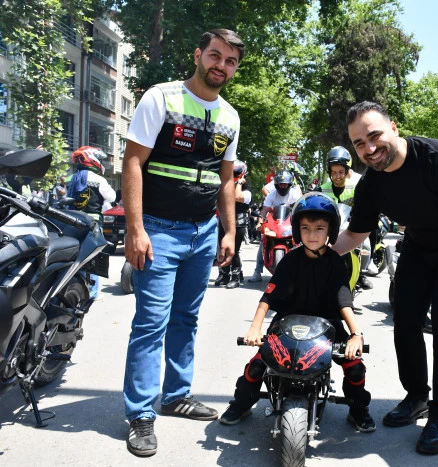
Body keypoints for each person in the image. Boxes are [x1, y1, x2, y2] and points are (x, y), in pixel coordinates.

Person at [332, 101, 438, 455]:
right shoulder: (372, 184)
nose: (369, 148)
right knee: (404, 318)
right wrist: (316, 254)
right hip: (420, 243)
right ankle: (417, 396)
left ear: (394, 128)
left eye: (374, 135)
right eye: (359, 143)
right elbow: (356, 233)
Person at [120, 29, 245, 457]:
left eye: (230, 61)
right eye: (215, 55)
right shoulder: (162, 98)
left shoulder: (230, 116)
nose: (221, 65)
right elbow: (133, 162)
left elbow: (225, 179)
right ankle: (141, 413)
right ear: (198, 55)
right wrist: (135, 229)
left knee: (186, 319)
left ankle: (175, 395)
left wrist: (229, 231)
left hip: (202, 232)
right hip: (157, 230)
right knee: (150, 323)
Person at [219, 192, 375, 432]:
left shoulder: (335, 261)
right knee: (257, 365)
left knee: (354, 367)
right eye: (306, 228)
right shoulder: (290, 260)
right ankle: (241, 403)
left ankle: (358, 409)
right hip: (286, 322)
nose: (312, 234)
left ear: (331, 231)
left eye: (319, 228)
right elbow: (269, 295)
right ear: (297, 230)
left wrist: (356, 334)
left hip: (329, 323)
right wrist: (255, 328)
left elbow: (343, 299)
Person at [317, 146, 374, 289]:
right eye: (334, 172)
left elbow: (364, 208)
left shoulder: (356, 188)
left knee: (366, 245)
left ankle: (361, 274)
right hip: (328, 230)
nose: (337, 176)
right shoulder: (322, 189)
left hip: (350, 228)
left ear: (347, 171)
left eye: (341, 172)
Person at [66, 146, 116, 300]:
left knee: (75, 255)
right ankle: (93, 293)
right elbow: (112, 197)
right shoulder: (99, 180)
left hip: (72, 221)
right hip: (92, 224)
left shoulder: (71, 178)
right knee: (94, 256)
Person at [248, 169, 303, 282]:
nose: (283, 187)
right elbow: (264, 211)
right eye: (280, 184)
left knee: (301, 242)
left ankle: (303, 271)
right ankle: (257, 272)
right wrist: (259, 223)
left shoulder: (295, 194)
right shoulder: (271, 195)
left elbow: (301, 209)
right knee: (263, 241)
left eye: (285, 184)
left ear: (289, 184)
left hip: (290, 221)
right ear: (276, 185)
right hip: (274, 221)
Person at [214, 160, 251, 288]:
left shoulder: (247, 190)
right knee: (222, 249)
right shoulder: (225, 186)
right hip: (223, 221)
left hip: (238, 223)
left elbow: (236, 196)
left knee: (233, 250)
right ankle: (224, 275)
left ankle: (236, 277)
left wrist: (239, 183)